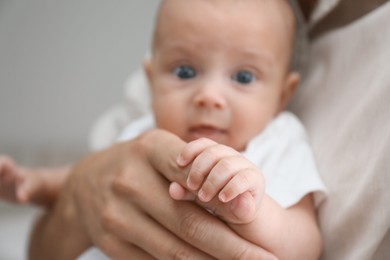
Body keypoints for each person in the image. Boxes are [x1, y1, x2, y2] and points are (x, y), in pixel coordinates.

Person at [27, 0, 390, 259]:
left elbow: (307, 244)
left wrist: (252, 209)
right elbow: (85, 180)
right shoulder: (142, 127)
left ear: (283, 95)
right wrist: (40, 184)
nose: (209, 96)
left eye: (243, 77)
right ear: (151, 80)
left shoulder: (277, 141)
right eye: (185, 72)